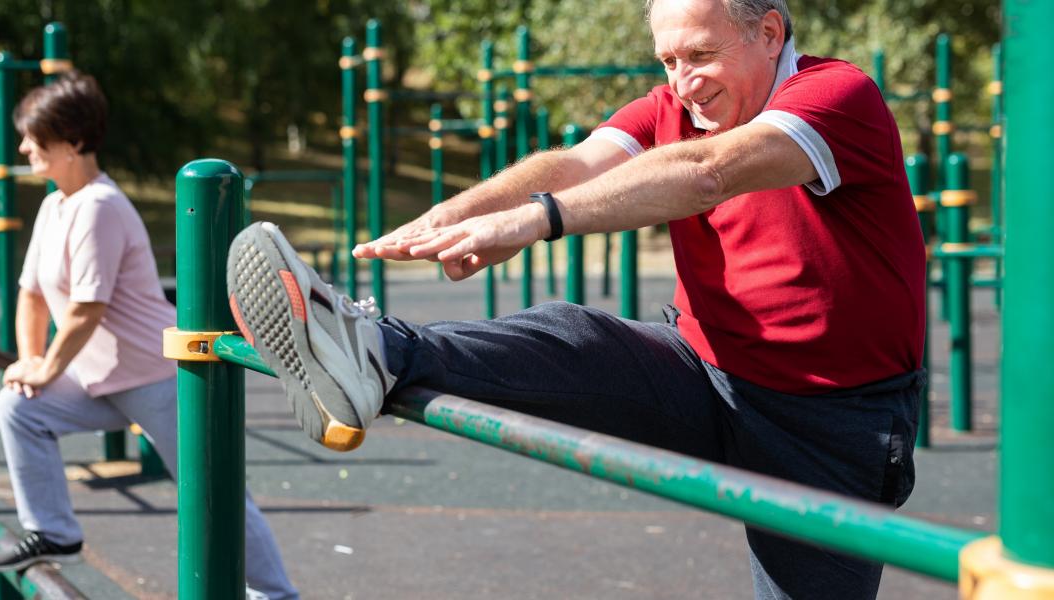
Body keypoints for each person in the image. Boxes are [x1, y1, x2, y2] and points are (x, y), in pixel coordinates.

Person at [227, 0, 924, 597]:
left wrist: (537, 220)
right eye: (668, 61)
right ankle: (375, 353)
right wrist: (457, 214)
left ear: (770, 33)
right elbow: (575, 164)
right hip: (704, 369)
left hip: (829, 416)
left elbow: (706, 173)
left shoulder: (836, 97)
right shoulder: (672, 107)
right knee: (569, 333)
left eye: (700, 56)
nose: (682, 82)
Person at [0, 71, 298, 600]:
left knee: (214, 495)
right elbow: (31, 294)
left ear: (73, 142)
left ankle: (276, 594)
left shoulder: (99, 206)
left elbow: (88, 308)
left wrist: (47, 367)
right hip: (98, 380)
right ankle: (54, 531)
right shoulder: (55, 205)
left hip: (156, 377)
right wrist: (31, 361)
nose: (23, 147)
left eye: (34, 137)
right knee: (19, 407)